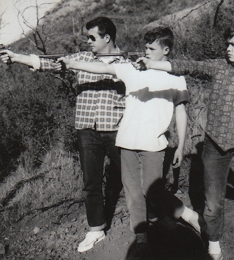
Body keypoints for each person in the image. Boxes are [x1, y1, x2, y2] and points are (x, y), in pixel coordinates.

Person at [134, 17, 234, 260]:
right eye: (227, 44)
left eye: (233, 44)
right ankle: (213, 244)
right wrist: (151, 64)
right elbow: (186, 65)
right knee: (212, 202)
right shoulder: (218, 67)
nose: (228, 49)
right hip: (214, 144)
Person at [58, 26, 203, 259]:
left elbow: (181, 112)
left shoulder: (176, 76)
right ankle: (142, 236)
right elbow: (101, 67)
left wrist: (183, 144)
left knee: (152, 191)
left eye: (151, 48)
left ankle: (187, 215)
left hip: (154, 143)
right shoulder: (132, 70)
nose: (145, 52)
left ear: (166, 50)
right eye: (145, 47)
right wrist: (72, 63)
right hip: (126, 140)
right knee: (133, 192)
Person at [0, 16, 124, 253]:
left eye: (92, 37)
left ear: (107, 38)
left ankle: (150, 218)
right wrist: (16, 57)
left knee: (130, 175)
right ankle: (96, 229)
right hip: (86, 128)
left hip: (117, 128)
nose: (87, 42)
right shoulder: (82, 58)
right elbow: (48, 62)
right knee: (91, 182)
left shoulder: (127, 61)